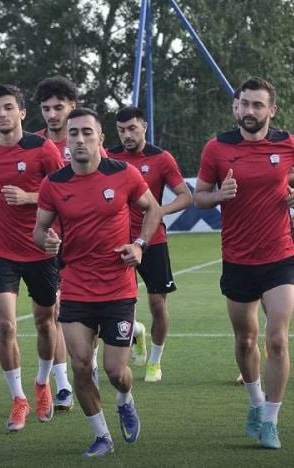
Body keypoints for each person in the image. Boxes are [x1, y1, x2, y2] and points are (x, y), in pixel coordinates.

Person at [193, 77, 294, 449]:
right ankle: (255, 401)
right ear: (236, 107)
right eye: (244, 103)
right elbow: (199, 197)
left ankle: (271, 421)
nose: (249, 111)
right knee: (245, 339)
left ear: (271, 110)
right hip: (237, 259)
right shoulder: (216, 148)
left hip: (280, 256)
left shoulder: (289, 143)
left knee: (277, 339)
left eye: (257, 105)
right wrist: (219, 194)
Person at [34, 107, 162, 458]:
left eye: (87, 132)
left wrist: (140, 245)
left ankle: (125, 399)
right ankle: (102, 435)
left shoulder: (123, 174)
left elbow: (152, 209)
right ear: (66, 141)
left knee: (115, 371)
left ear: (100, 138)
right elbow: (39, 230)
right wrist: (46, 241)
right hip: (76, 285)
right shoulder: (53, 184)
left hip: (118, 287)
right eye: (73, 133)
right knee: (80, 365)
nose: (79, 139)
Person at [0, 84, 64, 430]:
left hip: (40, 249)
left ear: (22, 113)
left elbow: (62, 190)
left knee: (45, 322)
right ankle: (18, 398)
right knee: (7, 324)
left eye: (8, 108)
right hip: (0, 250)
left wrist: (28, 197)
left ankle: (42, 383)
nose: (2, 114)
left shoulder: (43, 149)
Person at [107, 106, 192, 382]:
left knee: (157, 305)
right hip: (117, 242)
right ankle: (136, 332)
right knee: (116, 304)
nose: (126, 135)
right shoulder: (108, 157)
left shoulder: (161, 158)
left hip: (153, 241)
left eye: (132, 128)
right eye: (121, 130)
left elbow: (185, 196)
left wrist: (158, 212)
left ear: (144, 127)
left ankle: (154, 362)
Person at [32, 76, 79, 407]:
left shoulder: (87, 142)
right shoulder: (32, 145)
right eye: (46, 108)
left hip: (83, 243)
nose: (52, 114)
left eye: (58, 107)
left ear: (72, 107)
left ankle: (131, 330)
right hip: (46, 243)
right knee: (53, 314)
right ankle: (63, 385)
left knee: (83, 318)